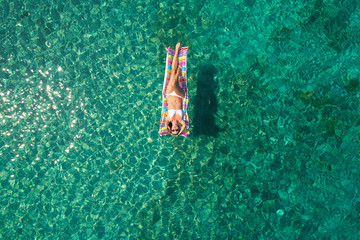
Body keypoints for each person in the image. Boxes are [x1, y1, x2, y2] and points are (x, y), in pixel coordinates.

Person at [164, 43, 186, 136]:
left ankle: (176, 52)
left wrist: (169, 132)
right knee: (173, 82)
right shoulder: (181, 120)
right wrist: (180, 133)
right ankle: (177, 51)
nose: (175, 129)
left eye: (173, 130)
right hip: (180, 95)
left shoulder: (168, 119)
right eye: (177, 130)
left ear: (171, 128)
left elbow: (165, 127)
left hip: (169, 94)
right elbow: (184, 126)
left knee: (172, 72)